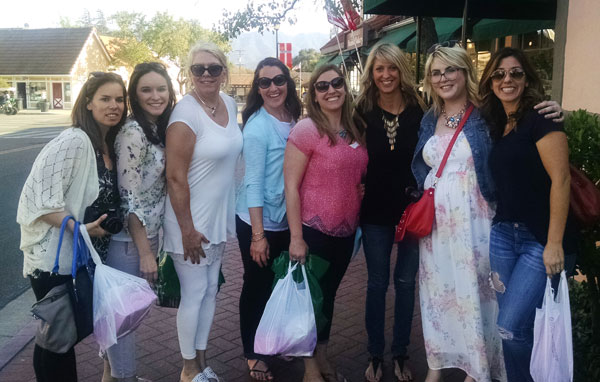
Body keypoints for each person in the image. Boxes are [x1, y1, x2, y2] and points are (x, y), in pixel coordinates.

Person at [412, 44, 563, 382]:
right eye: (436, 73)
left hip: (477, 219)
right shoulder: (428, 116)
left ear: (465, 72)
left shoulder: (488, 114)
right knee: (439, 294)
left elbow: (525, 131)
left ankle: (478, 369)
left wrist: (555, 110)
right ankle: (437, 365)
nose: (443, 78)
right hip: (437, 225)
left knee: (478, 295)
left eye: (451, 70)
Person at [16, 71, 127, 382]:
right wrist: (81, 228)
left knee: (58, 336)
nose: (114, 105)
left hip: (79, 256)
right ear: (88, 102)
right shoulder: (76, 140)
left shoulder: (107, 143)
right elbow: (41, 200)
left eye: (119, 99)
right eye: (105, 98)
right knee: (59, 341)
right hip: (54, 258)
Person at [479, 47, 576, 382]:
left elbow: (561, 180)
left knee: (509, 325)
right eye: (500, 74)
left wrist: (554, 243)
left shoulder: (541, 118)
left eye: (516, 73)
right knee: (515, 325)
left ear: (527, 78)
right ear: (490, 82)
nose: (508, 79)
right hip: (504, 235)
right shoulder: (494, 122)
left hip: (539, 238)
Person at [163, 42, 242, 382]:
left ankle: (202, 361)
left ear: (224, 71)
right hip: (190, 223)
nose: (206, 74)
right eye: (199, 69)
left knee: (211, 290)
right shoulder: (185, 114)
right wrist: (187, 230)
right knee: (194, 294)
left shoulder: (229, 102)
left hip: (217, 220)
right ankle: (188, 369)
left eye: (213, 68)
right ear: (189, 74)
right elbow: (175, 177)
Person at [284, 64, 368, 382]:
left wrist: (362, 187)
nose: (331, 90)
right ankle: (309, 369)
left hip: (345, 232)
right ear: (314, 95)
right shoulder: (307, 130)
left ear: (345, 88)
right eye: (322, 86)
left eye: (336, 83)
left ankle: (322, 354)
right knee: (309, 299)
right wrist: (296, 237)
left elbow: (356, 170)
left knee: (327, 297)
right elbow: (290, 186)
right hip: (313, 230)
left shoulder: (355, 127)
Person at [353, 43, 424, 382]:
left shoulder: (422, 109)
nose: (385, 75)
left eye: (392, 68)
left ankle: (400, 353)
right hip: (375, 211)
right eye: (379, 69)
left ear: (401, 71)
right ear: (371, 73)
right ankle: (375, 354)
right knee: (378, 283)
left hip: (413, 210)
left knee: (406, 283)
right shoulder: (361, 110)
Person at [102, 62, 176, 382]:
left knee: (124, 317)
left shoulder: (157, 128)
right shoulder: (133, 132)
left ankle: (113, 377)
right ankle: (126, 377)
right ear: (135, 94)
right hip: (129, 244)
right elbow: (128, 197)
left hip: (146, 237)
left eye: (161, 88)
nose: (155, 96)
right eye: (146, 90)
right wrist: (146, 251)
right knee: (125, 318)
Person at [236, 57, 302, 381]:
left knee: (281, 285)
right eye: (265, 82)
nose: (273, 87)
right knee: (257, 287)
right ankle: (253, 351)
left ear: (287, 82)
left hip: (288, 219)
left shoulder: (296, 118)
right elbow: (253, 184)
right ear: (257, 88)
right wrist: (258, 235)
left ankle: (274, 340)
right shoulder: (258, 128)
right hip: (258, 221)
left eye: (279, 80)